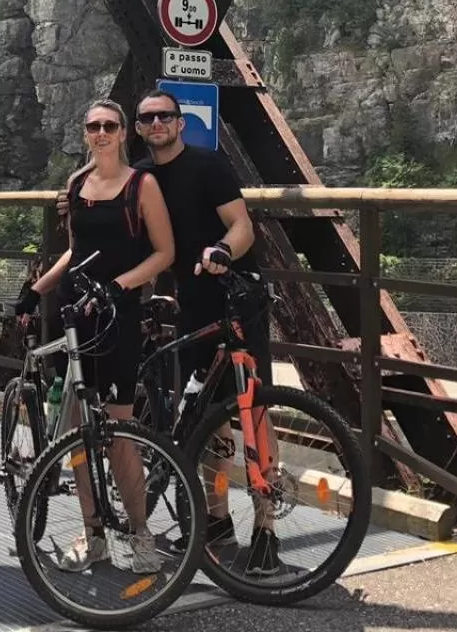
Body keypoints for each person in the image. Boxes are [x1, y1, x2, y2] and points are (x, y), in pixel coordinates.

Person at [14, 99, 175, 574]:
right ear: (86, 134)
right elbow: (74, 252)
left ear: (124, 133)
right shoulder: (78, 185)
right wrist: (34, 291)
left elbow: (165, 252)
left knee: (119, 431)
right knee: (80, 431)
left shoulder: (141, 185)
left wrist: (119, 285)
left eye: (109, 126)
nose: (101, 133)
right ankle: (93, 534)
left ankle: (141, 536)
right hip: (75, 315)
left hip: (117, 316)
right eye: (93, 127)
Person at [129, 87, 282, 577]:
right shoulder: (142, 177)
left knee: (253, 408)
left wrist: (220, 249)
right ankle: (218, 522)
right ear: (138, 128)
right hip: (194, 306)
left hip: (237, 295)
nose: (157, 125)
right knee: (208, 417)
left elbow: (242, 226)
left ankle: (266, 528)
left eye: (165, 117)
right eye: (147, 118)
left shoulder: (208, 165)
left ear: (180, 123)